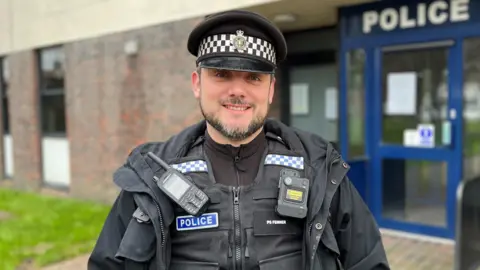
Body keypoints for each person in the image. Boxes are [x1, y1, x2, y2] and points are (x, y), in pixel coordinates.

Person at [88, 9, 390, 270]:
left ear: (271, 89)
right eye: (221, 74)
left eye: (253, 78)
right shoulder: (152, 176)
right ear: (197, 83)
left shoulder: (319, 168)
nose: (237, 91)